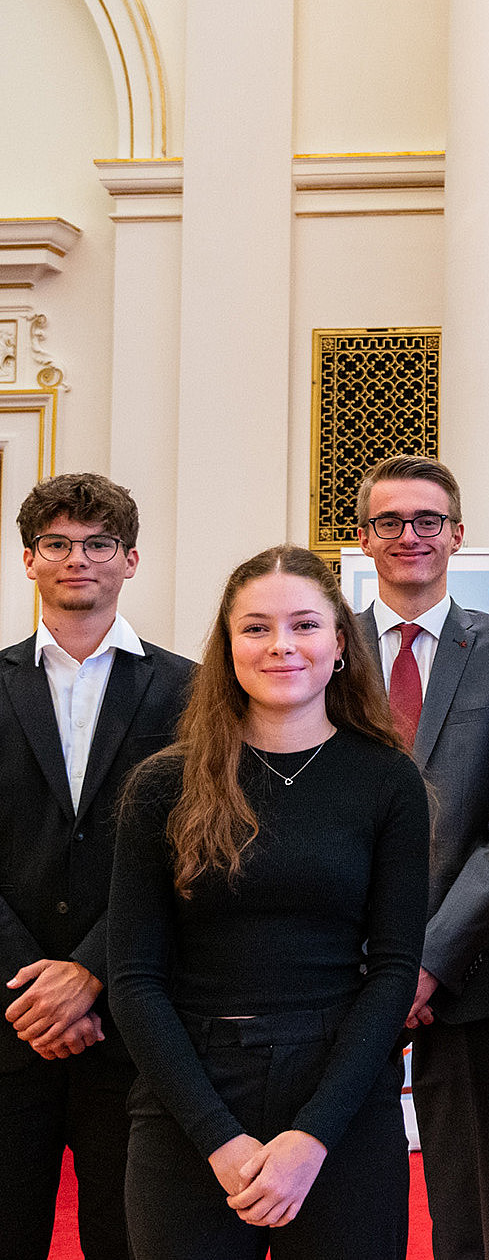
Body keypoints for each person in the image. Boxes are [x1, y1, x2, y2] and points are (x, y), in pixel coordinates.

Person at [109, 546, 428, 1259]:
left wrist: (313, 1137)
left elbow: (394, 971)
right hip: (190, 1092)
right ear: (227, 646)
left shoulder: (388, 780)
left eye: (305, 625)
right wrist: (217, 1138)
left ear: (340, 642)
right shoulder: (163, 784)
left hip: (340, 1095)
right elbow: (133, 978)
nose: (282, 645)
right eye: (256, 628)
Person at [349, 455, 489, 1260]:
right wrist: (376, 962)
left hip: (468, 968)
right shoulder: (326, 646)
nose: (410, 536)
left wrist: (425, 963)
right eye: (390, 521)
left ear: (458, 535)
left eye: (428, 520)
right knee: (347, 1187)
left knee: (465, 1205)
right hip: (342, 964)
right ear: (363, 539)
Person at [0, 475, 194, 1260]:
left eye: (98, 544)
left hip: (135, 1020)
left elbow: (191, 855)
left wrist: (89, 972)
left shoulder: (189, 689)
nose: (77, 558)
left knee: (130, 1240)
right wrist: (33, 982)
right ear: (28, 560)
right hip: (8, 1020)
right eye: (57, 543)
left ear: (131, 559)